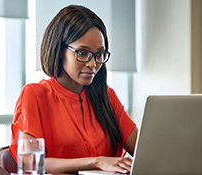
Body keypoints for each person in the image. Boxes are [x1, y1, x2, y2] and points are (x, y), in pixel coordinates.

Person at [9, 5, 138, 174]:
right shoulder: (34, 94)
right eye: (83, 53)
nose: (93, 64)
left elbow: (145, 150)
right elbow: (30, 164)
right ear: (60, 51)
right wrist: (96, 161)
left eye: (99, 54)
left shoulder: (107, 96)